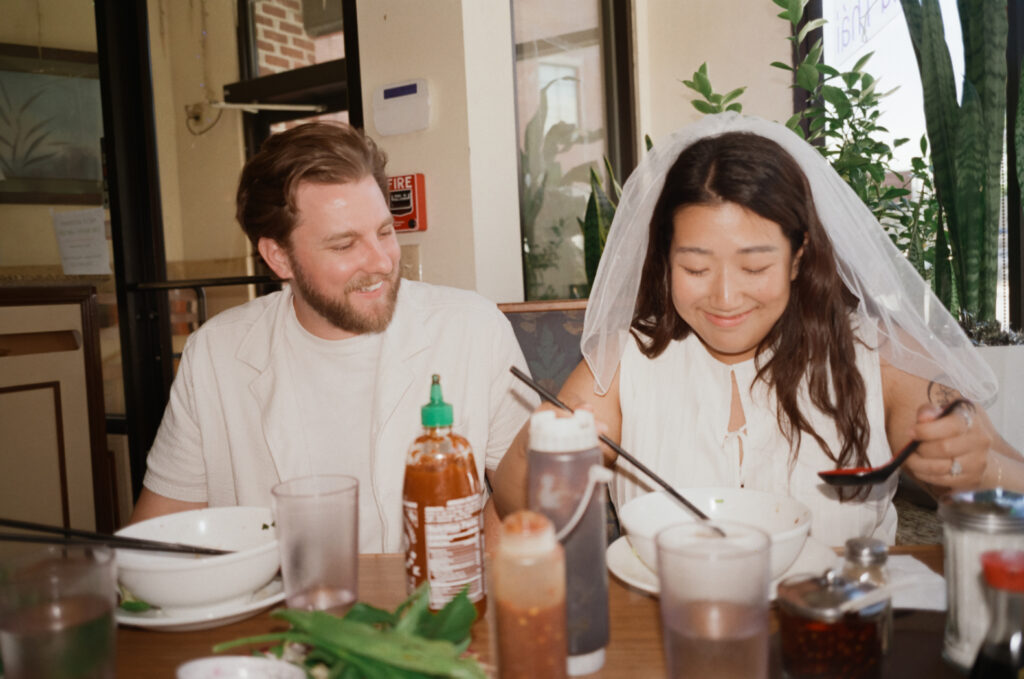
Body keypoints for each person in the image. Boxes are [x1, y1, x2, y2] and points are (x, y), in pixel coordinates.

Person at [493, 113, 1024, 546]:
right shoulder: (622, 363)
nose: (725, 299)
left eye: (754, 268)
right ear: (664, 259)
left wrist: (975, 469)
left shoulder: (877, 353)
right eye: (696, 269)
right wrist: (540, 446)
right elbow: (516, 508)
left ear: (799, 257)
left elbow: (1008, 482)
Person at [131, 122, 538, 553]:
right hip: (279, 613)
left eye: (385, 231)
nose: (381, 262)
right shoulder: (215, 355)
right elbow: (157, 540)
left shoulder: (473, 328)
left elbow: (532, 496)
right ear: (278, 257)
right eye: (345, 245)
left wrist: (459, 592)